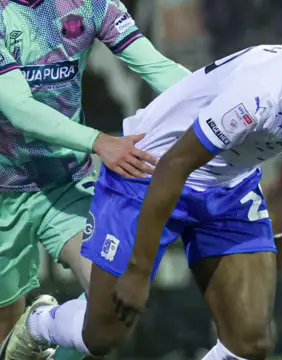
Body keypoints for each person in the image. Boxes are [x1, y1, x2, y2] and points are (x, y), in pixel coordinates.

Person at [1, 11, 282, 360]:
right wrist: (139, 273)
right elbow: (175, 164)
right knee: (104, 335)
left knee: (251, 342)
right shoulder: (263, 93)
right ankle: (40, 324)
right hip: (150, 168)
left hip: (229, 183)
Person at [0, 0, 190, 357]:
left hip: (65, 184)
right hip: (2, 193)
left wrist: (223, 96)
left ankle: (42, 324)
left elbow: (159, 68)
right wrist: (100, 142)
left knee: (112, 309)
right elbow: (19, 110)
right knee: (4, 336)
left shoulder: (93, 5)